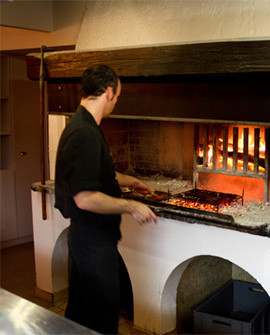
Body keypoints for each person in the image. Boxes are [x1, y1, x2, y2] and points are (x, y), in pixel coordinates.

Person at [54, 64, 157, 334]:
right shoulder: (84, 134)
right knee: (100, 318)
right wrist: (131, 205)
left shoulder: (84, 125)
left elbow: (97, 172)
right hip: (92, 242)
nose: (116, 101)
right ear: (109, 92)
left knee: (81, 315)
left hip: (89, 239)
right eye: (118, 95)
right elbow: (85, 198)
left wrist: (131, 181)